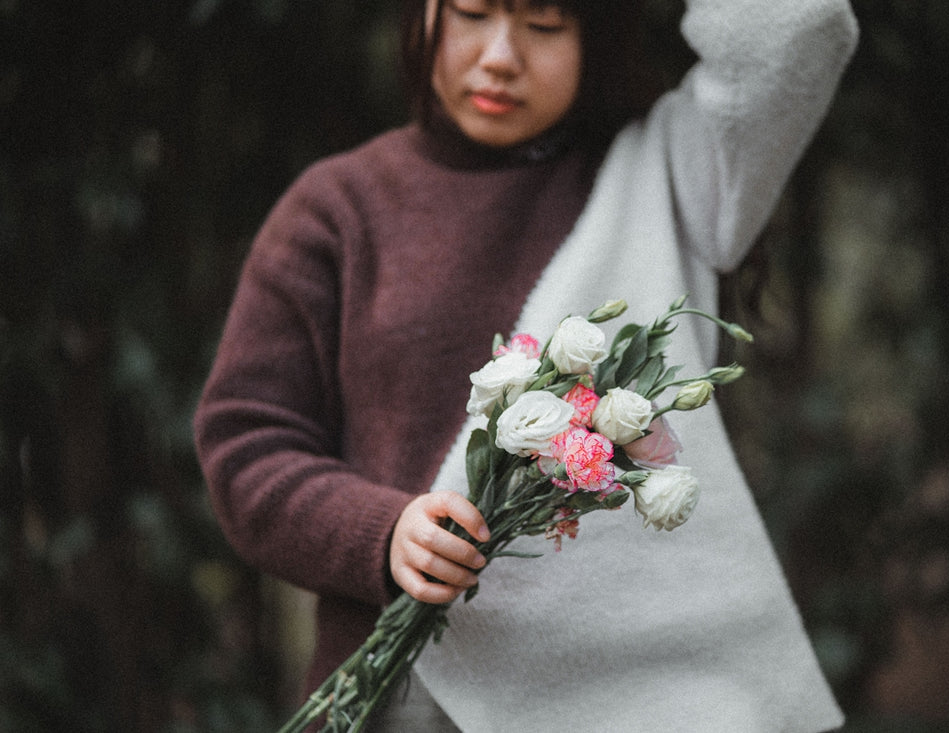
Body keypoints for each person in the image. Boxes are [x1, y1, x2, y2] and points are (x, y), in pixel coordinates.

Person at [193, 0, 859, 730]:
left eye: (544, 25)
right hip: (413, 696)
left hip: (651, 694)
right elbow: (247, 443)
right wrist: (381, 534)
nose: (501, 55)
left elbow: (796, 26)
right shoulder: (338, 207)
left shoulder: (668, 172)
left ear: (597, 36)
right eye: (472, 13)